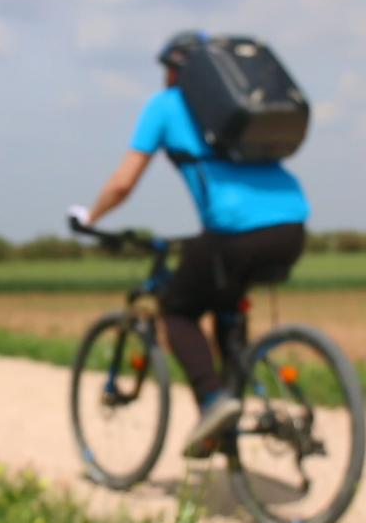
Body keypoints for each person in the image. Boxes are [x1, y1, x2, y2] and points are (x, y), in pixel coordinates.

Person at [68, 30, 310, 459]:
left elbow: (124, 182)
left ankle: (215, 403)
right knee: (225, 305)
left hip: (235, 231)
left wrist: (91, 217)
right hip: (292, 224)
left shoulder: (165, 106)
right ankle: (229, 424)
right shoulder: (240, 108)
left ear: (176, 71)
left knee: (177, 311)